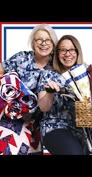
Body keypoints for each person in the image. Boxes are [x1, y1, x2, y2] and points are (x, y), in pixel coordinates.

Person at [0, 24, 58, 155]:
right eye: (39, 39)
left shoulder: (56, 65)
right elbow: (1, 70)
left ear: (53, 43)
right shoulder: (21, 58)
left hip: (40, 122)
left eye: (48, 40)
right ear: (33, 43)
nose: (43, 43)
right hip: (13, 118)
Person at [37, 34, 92, 155]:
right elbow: (43, 107)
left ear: (77, 52)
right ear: (57, 54)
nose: (67, 54)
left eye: (71, 50)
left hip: (82, 132)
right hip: (54, 127)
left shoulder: (87, 74)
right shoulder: (49, 75)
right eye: (63, 50)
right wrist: (49, 93)